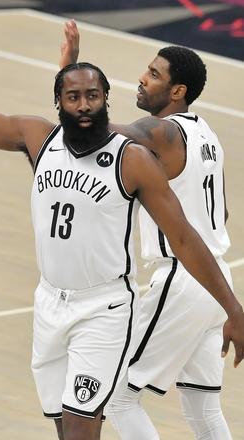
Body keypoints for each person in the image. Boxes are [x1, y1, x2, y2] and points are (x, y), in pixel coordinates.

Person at [0, 0, 244, 440]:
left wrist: (234, 307)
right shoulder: (42, 139)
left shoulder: (144, 145)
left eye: (94, 96)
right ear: (59, 103)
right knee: (199, 409)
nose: (85, 105)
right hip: (56, 301)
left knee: (115, 402)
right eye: (73, 97)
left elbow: (185, 235)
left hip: (127, 297)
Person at [60, 22, 235, 439]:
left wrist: (69, 73)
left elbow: (93, 134)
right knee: (202, 405)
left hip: (183, 276)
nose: (142, 77)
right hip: (216, 278)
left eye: (154, 74)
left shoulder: (162, 132)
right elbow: (221, 216)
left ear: (178, 92)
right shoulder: (207, 136)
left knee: (116, 396)